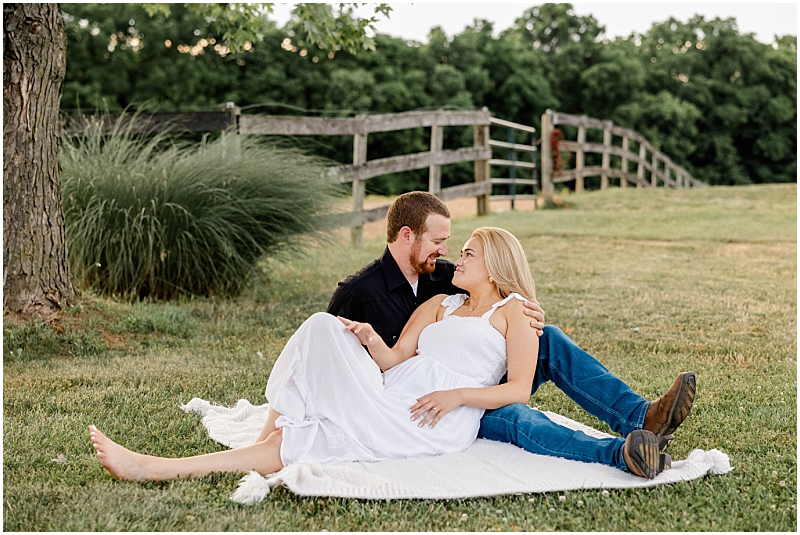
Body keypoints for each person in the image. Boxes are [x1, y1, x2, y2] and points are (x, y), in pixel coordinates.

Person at [90, 227, 669, 482]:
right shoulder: (439, 305)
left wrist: (456, 395)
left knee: (306, 437)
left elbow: (518, 388)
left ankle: (632, 436)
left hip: (439, 415)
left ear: (491, 264)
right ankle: (164, 466)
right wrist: (369, 341)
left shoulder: (513, 312)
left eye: (467, 253)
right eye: (453, 250)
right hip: (394, 392)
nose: (454, 259)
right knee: (319, 328)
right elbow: (395, 361)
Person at [324, 191, 695, 477]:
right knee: (517, 416)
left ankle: (641, 417)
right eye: (439, 242)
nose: (449, 253)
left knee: (547, 336)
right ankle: (625, 452)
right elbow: (334, 359)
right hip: (429, 397)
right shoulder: (357, 294)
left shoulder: (443, 273)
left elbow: (493, 283)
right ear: (408, 236)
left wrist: (525, 315)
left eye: (458, 248)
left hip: (481, 377)